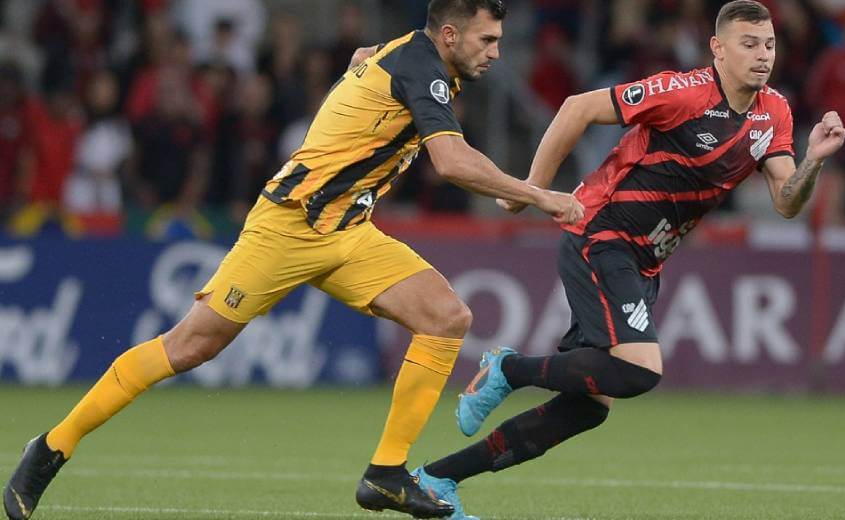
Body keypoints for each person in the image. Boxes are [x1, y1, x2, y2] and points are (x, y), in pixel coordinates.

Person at [3, 1, 582, 519]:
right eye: (488, 40)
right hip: (290, 225)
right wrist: (538, 194)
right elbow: (451, 163)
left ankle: (385, 474)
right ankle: (51, 448)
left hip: (348, 231)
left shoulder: (415, 60)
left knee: (446, 317)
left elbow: (373, 81)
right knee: (188, 347)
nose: (497, 53)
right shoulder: (419, 66)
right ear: (451, 34)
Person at [409, 2, 845, 518]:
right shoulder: (683, 92)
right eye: (749, 44)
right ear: (718, 49)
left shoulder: (774, 111)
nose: (763, 55)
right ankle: (508, 369)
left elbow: (786, 202)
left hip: (644, 262)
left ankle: (438, 479)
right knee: (640, 371)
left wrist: (814, 160)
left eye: (769, 44)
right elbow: (576, 107)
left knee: (588, 410)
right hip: (603, 233)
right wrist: (531, 189)